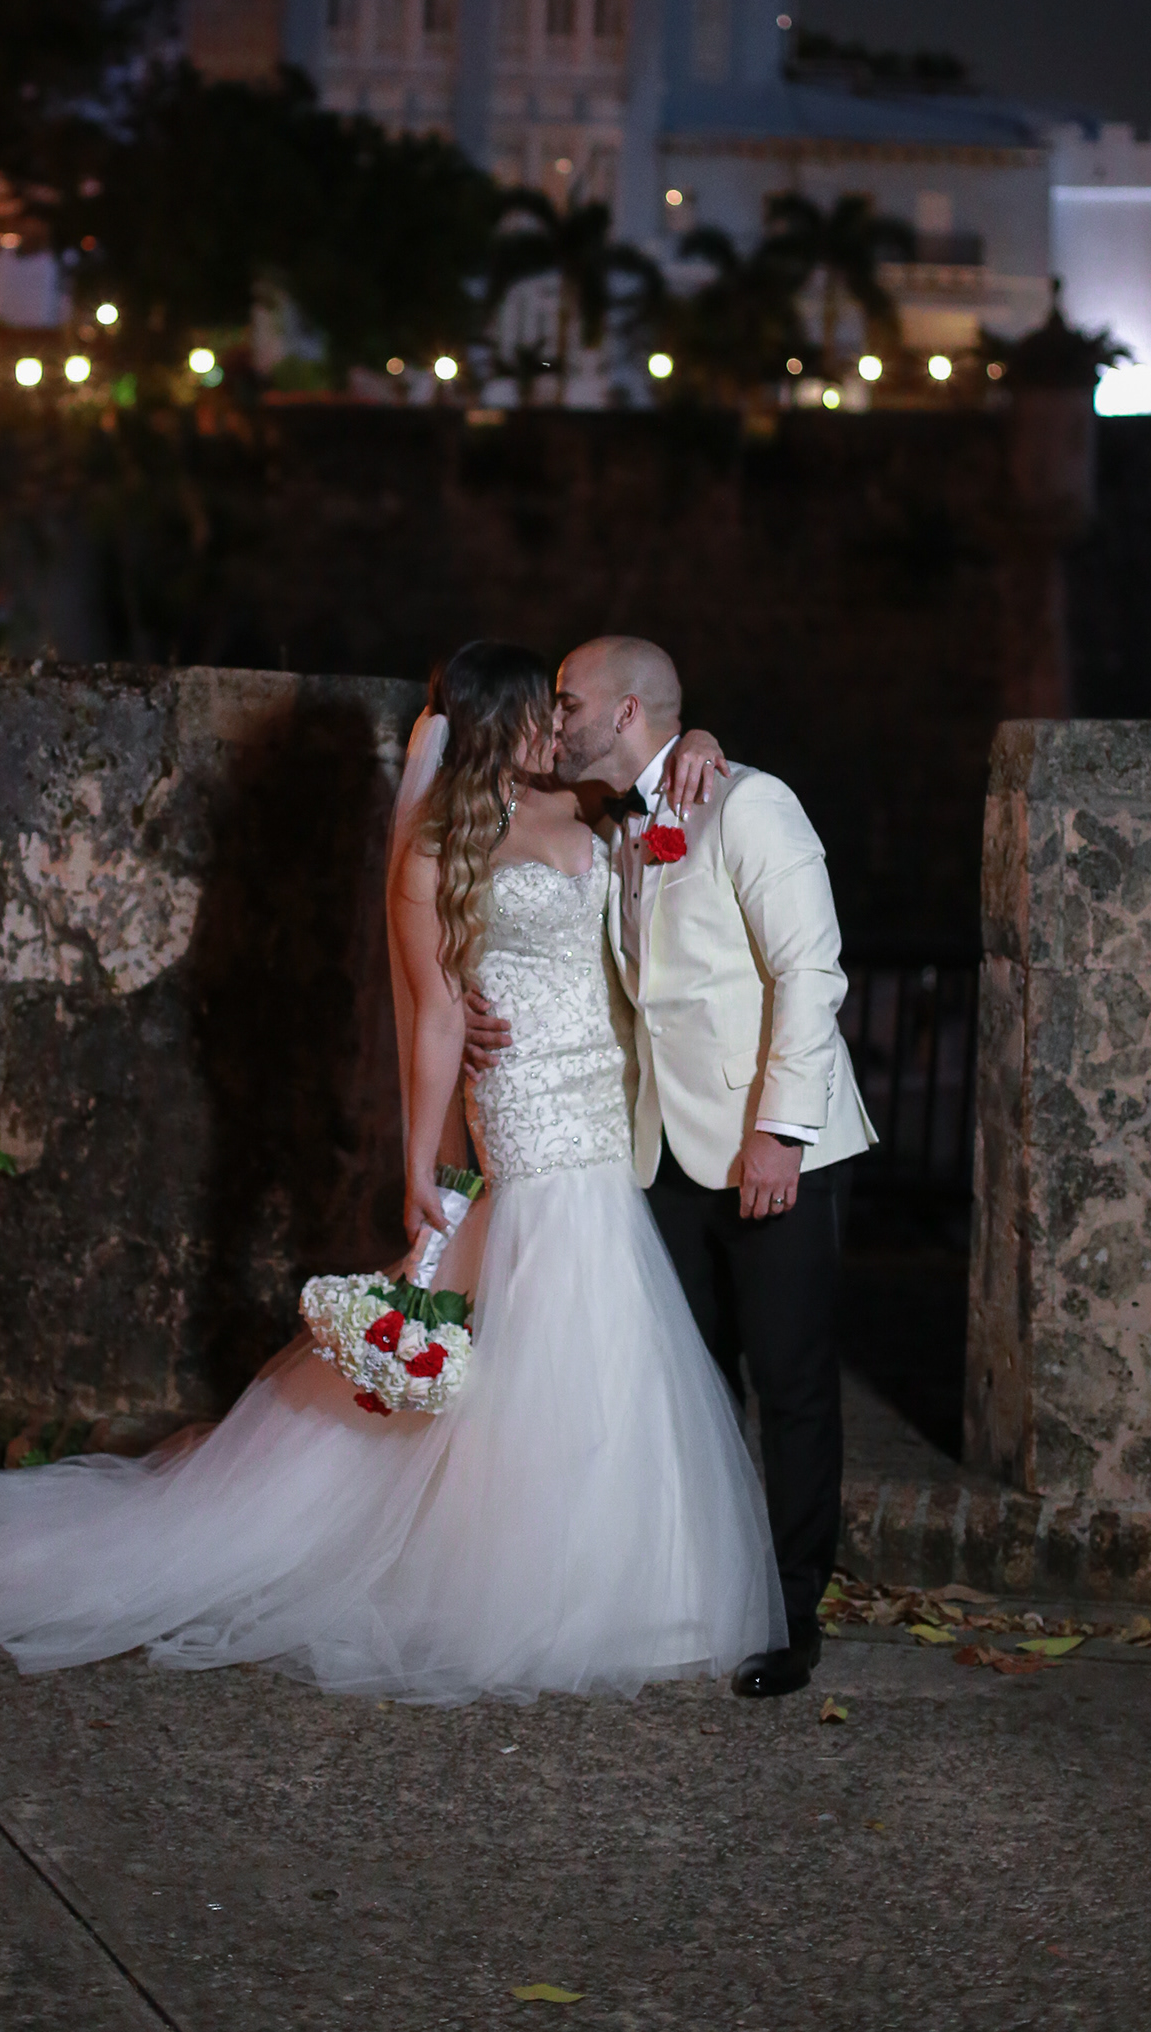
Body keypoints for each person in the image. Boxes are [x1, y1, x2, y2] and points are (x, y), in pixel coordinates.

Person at [0, 640, 782, 1704]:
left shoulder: (589, 805)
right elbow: (436, 1019)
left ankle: (625, 1577)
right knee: (548, 1318)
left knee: (605, 1334)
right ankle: (540, 1586)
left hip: (605, 1109)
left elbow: (663, 789)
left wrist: (703, 737)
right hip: (526, 1115)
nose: (562, 726)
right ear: (501, 723)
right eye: (545, 711)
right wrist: (419, 1165)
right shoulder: (441, 848)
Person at [465, 635, 874, 1700]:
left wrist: (781, 1132)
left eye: (568, 702)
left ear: (627, 713)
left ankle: (791, 1616)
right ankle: (708, 1588)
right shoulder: (623, 822)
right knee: (693, 1382)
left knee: (791, 1382)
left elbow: (811, 971)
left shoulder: (749, 805)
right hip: (663, 1152)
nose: (553, 718)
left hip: (771, 1147)